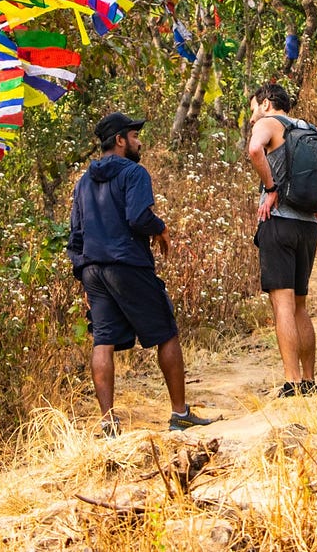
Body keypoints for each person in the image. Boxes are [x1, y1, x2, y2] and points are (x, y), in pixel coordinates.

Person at [67, 112, 219, 436]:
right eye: (134, 136)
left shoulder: (83, 182)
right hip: (127, 264)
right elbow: (137, 216)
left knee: (103, 340)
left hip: (93, 268)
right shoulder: (134, 173)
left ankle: (108, 423)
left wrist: (83, 275)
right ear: (120, 140)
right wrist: (161, 228)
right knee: (166, 330)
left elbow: (75, 235)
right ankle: (180, 414)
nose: (139, 141)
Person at [247, 83, 317, 397]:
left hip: (277, 222)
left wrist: (270, 189)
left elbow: (255, 150)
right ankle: (309, 382)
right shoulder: (312, 131)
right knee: (299, 306)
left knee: (282, 304)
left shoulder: (269, 124)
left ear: (267, 103)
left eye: (254, 109)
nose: (253, 118)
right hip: (308, 227)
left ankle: (292, 383)